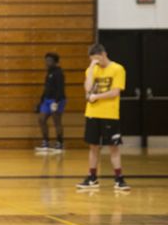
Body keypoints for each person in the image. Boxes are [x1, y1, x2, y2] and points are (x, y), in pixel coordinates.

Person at [77, 43, 130, 192]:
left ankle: (119, 179)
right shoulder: (91, 70)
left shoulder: (117, 69)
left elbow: (115, 92)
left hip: (109, 114)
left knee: (113, 147)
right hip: (92, 113)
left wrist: (96, 96)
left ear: (104, 54)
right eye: (93, 60)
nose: (96, 62)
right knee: (93, 147)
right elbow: (87, 88)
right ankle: (92, 177)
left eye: (97, 59)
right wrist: (92, 69)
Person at [36, 52, 66, 153]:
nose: (47, 63)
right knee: (41, 119)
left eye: (49, 61)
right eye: (46, 60)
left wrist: (56, 102)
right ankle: (45, 142)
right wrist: (41, 101)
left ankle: (59, 143)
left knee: (56, 121)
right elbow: (46, 88)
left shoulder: (59, 73)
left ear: (55, 62)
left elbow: (60, 88)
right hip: (47, 100)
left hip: (56, 100)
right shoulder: (48, 72)